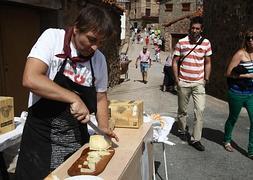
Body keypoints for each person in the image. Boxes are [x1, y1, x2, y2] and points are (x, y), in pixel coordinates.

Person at [15, 3, 119, 179]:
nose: (95, 48)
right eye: (92, 39)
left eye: (100, 43)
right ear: (77, 28)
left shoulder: (99, 60)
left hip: (76, 141)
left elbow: (101, 97)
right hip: (40, 140)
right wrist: (74, 98)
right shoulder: (52, 38)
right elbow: (30, 78)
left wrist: (103, 128)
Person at [172, 16, 212, 151]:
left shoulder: (206, 43)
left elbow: (207, 62)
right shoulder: (181, 42)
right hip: (183, 81)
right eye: (193, 28)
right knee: (182, 110)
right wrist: (177, 80)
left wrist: (206, 79)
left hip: (198, 83)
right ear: (190, 28)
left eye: (197, 28)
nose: (195, 30)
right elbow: (175, 61)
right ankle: (182, 130)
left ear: (202, 30)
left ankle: (196, 139)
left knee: (200, 110)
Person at [224, 28, 253, 159]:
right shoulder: (240, 54)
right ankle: (227, 140)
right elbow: (228, 73)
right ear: (246, 41)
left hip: (251, 93)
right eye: (249, 39)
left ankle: (251, 150)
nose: (251, 41)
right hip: (237, 92)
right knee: (233, 118)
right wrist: (247, 75)